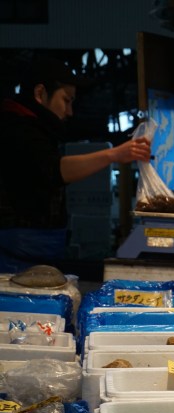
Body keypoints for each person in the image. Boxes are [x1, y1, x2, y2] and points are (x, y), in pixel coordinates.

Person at [0, 55, 151, 272]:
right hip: (17, 253)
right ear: (40, 93)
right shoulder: (17, 128)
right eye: (66, 100)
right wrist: (114, 155)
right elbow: (56, 170)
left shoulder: (36, 129)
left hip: (36, 248)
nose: (69, 111)